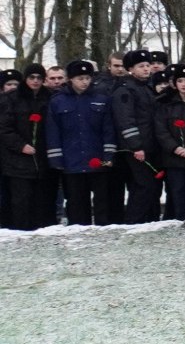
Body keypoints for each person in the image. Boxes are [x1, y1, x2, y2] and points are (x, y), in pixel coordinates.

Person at [46, 59, 115, 226]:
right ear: (70, 79)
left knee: (102, 201)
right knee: (76, 201)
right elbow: (53, 132)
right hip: (72, 160)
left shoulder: (101, 99)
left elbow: (108, 130)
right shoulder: (57, 101)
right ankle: (77, 229)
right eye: (80, 78)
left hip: (98, 159)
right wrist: (56, 159)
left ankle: (102, 230)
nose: (84, 82)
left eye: (87, 78)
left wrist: (108, 157)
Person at [110, 48, 162, 221]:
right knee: (143, 185)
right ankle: (134, 221)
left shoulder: (147, 87)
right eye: (141, 66)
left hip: (151, 144)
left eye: (148, 65)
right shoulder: (125, 90)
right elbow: (126, 120)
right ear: (131, 69)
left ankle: (150, 219)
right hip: (136, 148)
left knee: (151, 185)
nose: (146, 69)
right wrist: (136, 146)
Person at [143, 65, 185, 221]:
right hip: (173, 158)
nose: (184, 84)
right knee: (176, 192)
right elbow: (160, 130)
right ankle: (178, 220)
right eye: (180, 81)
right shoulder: (166, 104)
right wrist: (175, 147)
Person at [0, 68, 47, 229]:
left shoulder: (47, 97)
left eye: (39, 77)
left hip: (41, 157)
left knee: (40, 199)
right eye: (32, 77)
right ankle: (20, 228)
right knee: (21, 199)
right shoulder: (11, 99)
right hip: (17, 158)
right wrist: (21, 146)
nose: (35, 81)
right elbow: (4, 129)